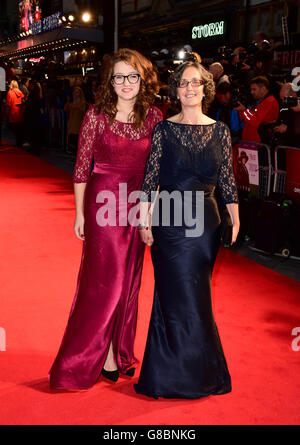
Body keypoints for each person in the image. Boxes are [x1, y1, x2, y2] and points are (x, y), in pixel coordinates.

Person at [49, 48, 162, 390]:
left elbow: (156, 169)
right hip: (104, 204)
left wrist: (150, 209)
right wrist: (79, 213)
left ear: (142, 80)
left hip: (138, 203)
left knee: (129, 281)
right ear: (109, 81)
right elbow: (81, 168)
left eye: (132, 76)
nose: (125, 83)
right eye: (119, 76)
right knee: (107, 282)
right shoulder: (96, 116)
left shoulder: (154, 116)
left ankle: (118, 346)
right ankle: (95, 356)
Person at [134, 60, 239, 399]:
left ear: (206, 89)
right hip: (169, 221)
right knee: (171, 296)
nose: (190, 88)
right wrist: (144, 219)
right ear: (176, 90)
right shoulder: (163, 130)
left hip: (206, 225)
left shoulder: (220, 131)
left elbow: (227, 181)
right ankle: (171, 375)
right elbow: (150, 180)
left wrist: (234, 217)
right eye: (183, 83)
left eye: (196, 83)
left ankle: (197, 371)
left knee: (198, 296)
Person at [234, 76, 279, 143]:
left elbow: (255, 122)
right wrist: (241, 111)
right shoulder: (259, 101)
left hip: (259, 143)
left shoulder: (270, 101)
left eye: (254, 89)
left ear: (263, 89)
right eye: (251, 89)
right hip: (251, 141)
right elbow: (245, 120)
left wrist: (244, 111)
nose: (251, 92)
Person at [64, 86, 87, 156]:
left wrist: (77, 105)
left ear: (80, 93)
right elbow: (65, 109)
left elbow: (83, 111)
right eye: (75, 92)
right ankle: (74, 155)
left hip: (78, 124)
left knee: (78, 142)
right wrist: (68, 102)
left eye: (78, 92)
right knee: (73, 141)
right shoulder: (72, 102)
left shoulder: (82, 102)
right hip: (72, 124)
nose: (76, 93)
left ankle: (77, 157)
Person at [6, 80, 25, 147]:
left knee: (15, 130)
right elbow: (23, 102)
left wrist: (7, 114)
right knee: (19, 129)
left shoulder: (10, 93)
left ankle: (18, 143)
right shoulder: (20, 92)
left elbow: (8, 104)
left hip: (13, 113)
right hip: (20, 113)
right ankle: (19, 143)